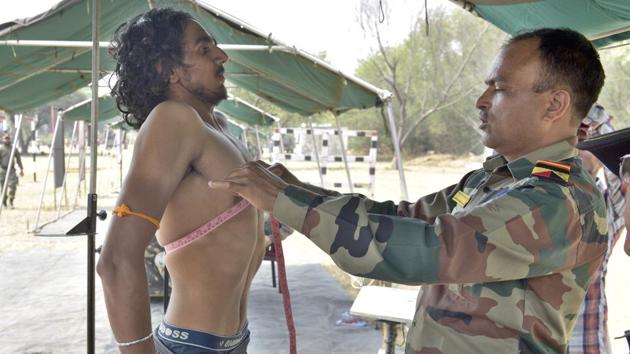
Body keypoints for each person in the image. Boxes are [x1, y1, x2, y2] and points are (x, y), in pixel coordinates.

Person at [210, 28, 609, 353]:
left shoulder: (556, 200)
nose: (481, 100)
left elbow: (419, 248)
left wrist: (285, 201)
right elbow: (403, 217)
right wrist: (298, 189)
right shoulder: (496, 179)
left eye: (499, 89)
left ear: (555, 104)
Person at [97, 8, 265, 354]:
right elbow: (115, 259)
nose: (222, 55)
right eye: (204, 50)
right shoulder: (172, 121)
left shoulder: (216, 125)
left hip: (235, 341)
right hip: (193, 346)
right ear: (168, 70)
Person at [568, 105, 626, 354]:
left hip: (586, 344)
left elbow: (619, 147)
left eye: (588, 144)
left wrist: (577, 100)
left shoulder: (609, 204)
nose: (580, 151)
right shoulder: (532, 200)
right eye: (573, 142)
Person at [0, 133, 24, 209]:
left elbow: (18, 159)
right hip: (3, 170)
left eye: (8, 138)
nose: (7, 140)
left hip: (11, 171)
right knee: (3, 188)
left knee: (13, 186)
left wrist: (21, 169)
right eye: (5, 138)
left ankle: (11, 201)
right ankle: (4, 202)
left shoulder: (14, 148)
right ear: (2, 139)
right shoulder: (1, 149)